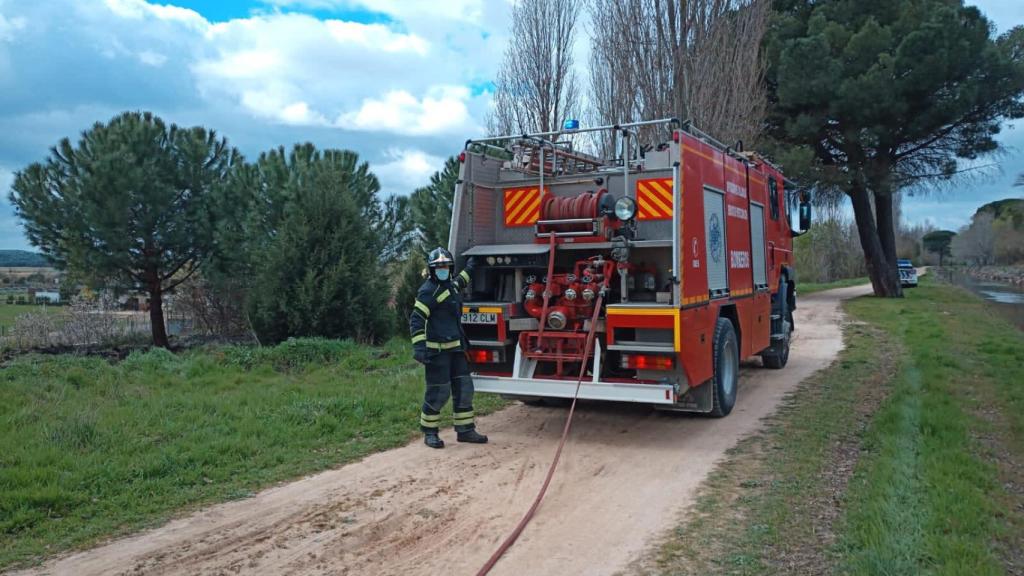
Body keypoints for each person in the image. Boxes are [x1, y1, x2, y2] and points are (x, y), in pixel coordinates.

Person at [409, 247, 488, 449]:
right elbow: (417, 320)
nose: (443, 269)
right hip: (436, 352)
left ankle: (465, 431)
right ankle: (430, 433)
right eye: (439, 267)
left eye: (446, 266)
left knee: (464, 390)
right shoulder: (428, 291)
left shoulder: (449, 286)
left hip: (456, 350)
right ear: (432, 269)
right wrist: (419, 347)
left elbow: (460, 281)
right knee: (439, 393)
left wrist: (471, 266)